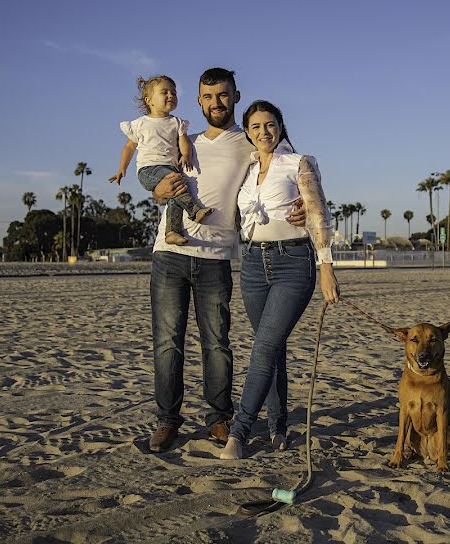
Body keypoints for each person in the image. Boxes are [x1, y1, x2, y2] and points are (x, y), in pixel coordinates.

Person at [145, 69, 306, 453]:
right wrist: (157, 190)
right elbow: (158, 181)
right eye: (207, 97)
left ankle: (219, 418)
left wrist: (301, 205)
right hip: (169, 254)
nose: (215, 103)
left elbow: (287, 169)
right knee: (167, 344)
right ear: (198, 101)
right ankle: (168, 421)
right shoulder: (186, 140)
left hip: (216, 257)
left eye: (222, 95)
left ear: (235, 96)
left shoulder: (249, 139)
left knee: (217, 344)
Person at [220, 100, 339, 460]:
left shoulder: (298, 163)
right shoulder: (245, 168)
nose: (263, 132)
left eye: (269, 124)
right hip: (253, 264)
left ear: (280, 126)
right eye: (255, 127)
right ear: (247, 132)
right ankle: (278, 427)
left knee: (264, 348)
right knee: (272, 349)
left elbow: (317, 213)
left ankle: (239, 433)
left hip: (293, 262)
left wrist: (326, 266)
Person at [109, 75, 213, 246]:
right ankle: (194, 211)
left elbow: (183, 142)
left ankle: (172, 232)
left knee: (174, 196)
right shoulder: (140, 124)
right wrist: (122, 168)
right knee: (175, 182)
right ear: (149, 100)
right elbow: (129, 147)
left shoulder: (176, 122)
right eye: (164, 92)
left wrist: (186, 155)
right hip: (148, 170)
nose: (171, 95)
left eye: (174, 93)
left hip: (169, 168)